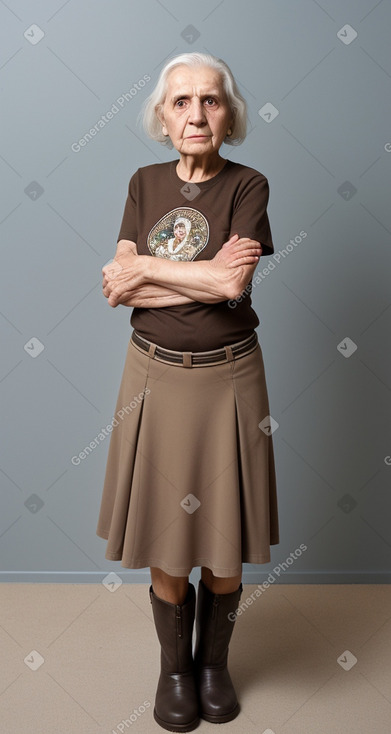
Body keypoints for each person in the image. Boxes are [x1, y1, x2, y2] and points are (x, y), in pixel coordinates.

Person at [96, 51, 279, 732]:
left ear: (227, 114)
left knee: (224, 539)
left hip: (231, 379)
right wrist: (177, 272)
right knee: (168, 539)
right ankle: (175, 670)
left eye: (210, 100)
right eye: (181, 102)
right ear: (162, 116)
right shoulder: (143, 182)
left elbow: (232, 287)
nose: (195, 113)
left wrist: (146, 267)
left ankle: (213, 666)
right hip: (152, 377)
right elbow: (118, 287)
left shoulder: (248, 184)